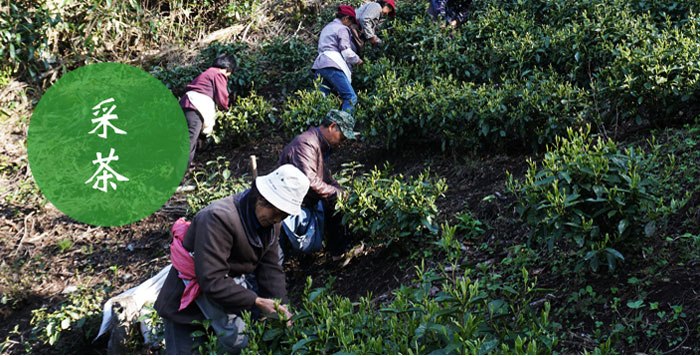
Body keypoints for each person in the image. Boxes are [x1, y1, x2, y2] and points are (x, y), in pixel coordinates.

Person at [154, 164, 310, 354]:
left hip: (226, 304)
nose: (278, 219)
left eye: (283, 215)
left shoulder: (271, 224)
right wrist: (257, 302)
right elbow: (211, 279)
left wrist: (280, 306)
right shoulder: (218, 219)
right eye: (276, 212)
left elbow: (270, 268)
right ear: (261, 198)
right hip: (188, 308)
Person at [277, 109, 359, 261]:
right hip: (289, 203)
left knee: (334, 203)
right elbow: (310, 181)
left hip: (304, 201)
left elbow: (325, 178)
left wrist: (342, 192)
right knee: (277, 254)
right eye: (342, 137)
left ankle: (337, 254)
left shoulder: (318, 144)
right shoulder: (306, 144)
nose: (342, 143)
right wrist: (338, 193)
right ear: (332, 126)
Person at [180, 54, 236, 167]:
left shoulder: (207, 73)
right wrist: (225, 108)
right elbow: (222, 97)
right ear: (227, 69)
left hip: (186, 104)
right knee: (188, 143)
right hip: (195, 106)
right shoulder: (218, 74)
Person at [311, 6, 363, 113]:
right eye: (351, 22)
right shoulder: (342, 28)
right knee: (350, 98)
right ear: (346, 18)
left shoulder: (327, 27)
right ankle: (342, 127)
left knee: (322, 101)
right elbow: (346, 52)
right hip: (332, 64)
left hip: (319, 66)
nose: (350, 25)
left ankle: (322, 127)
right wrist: (358, 60)